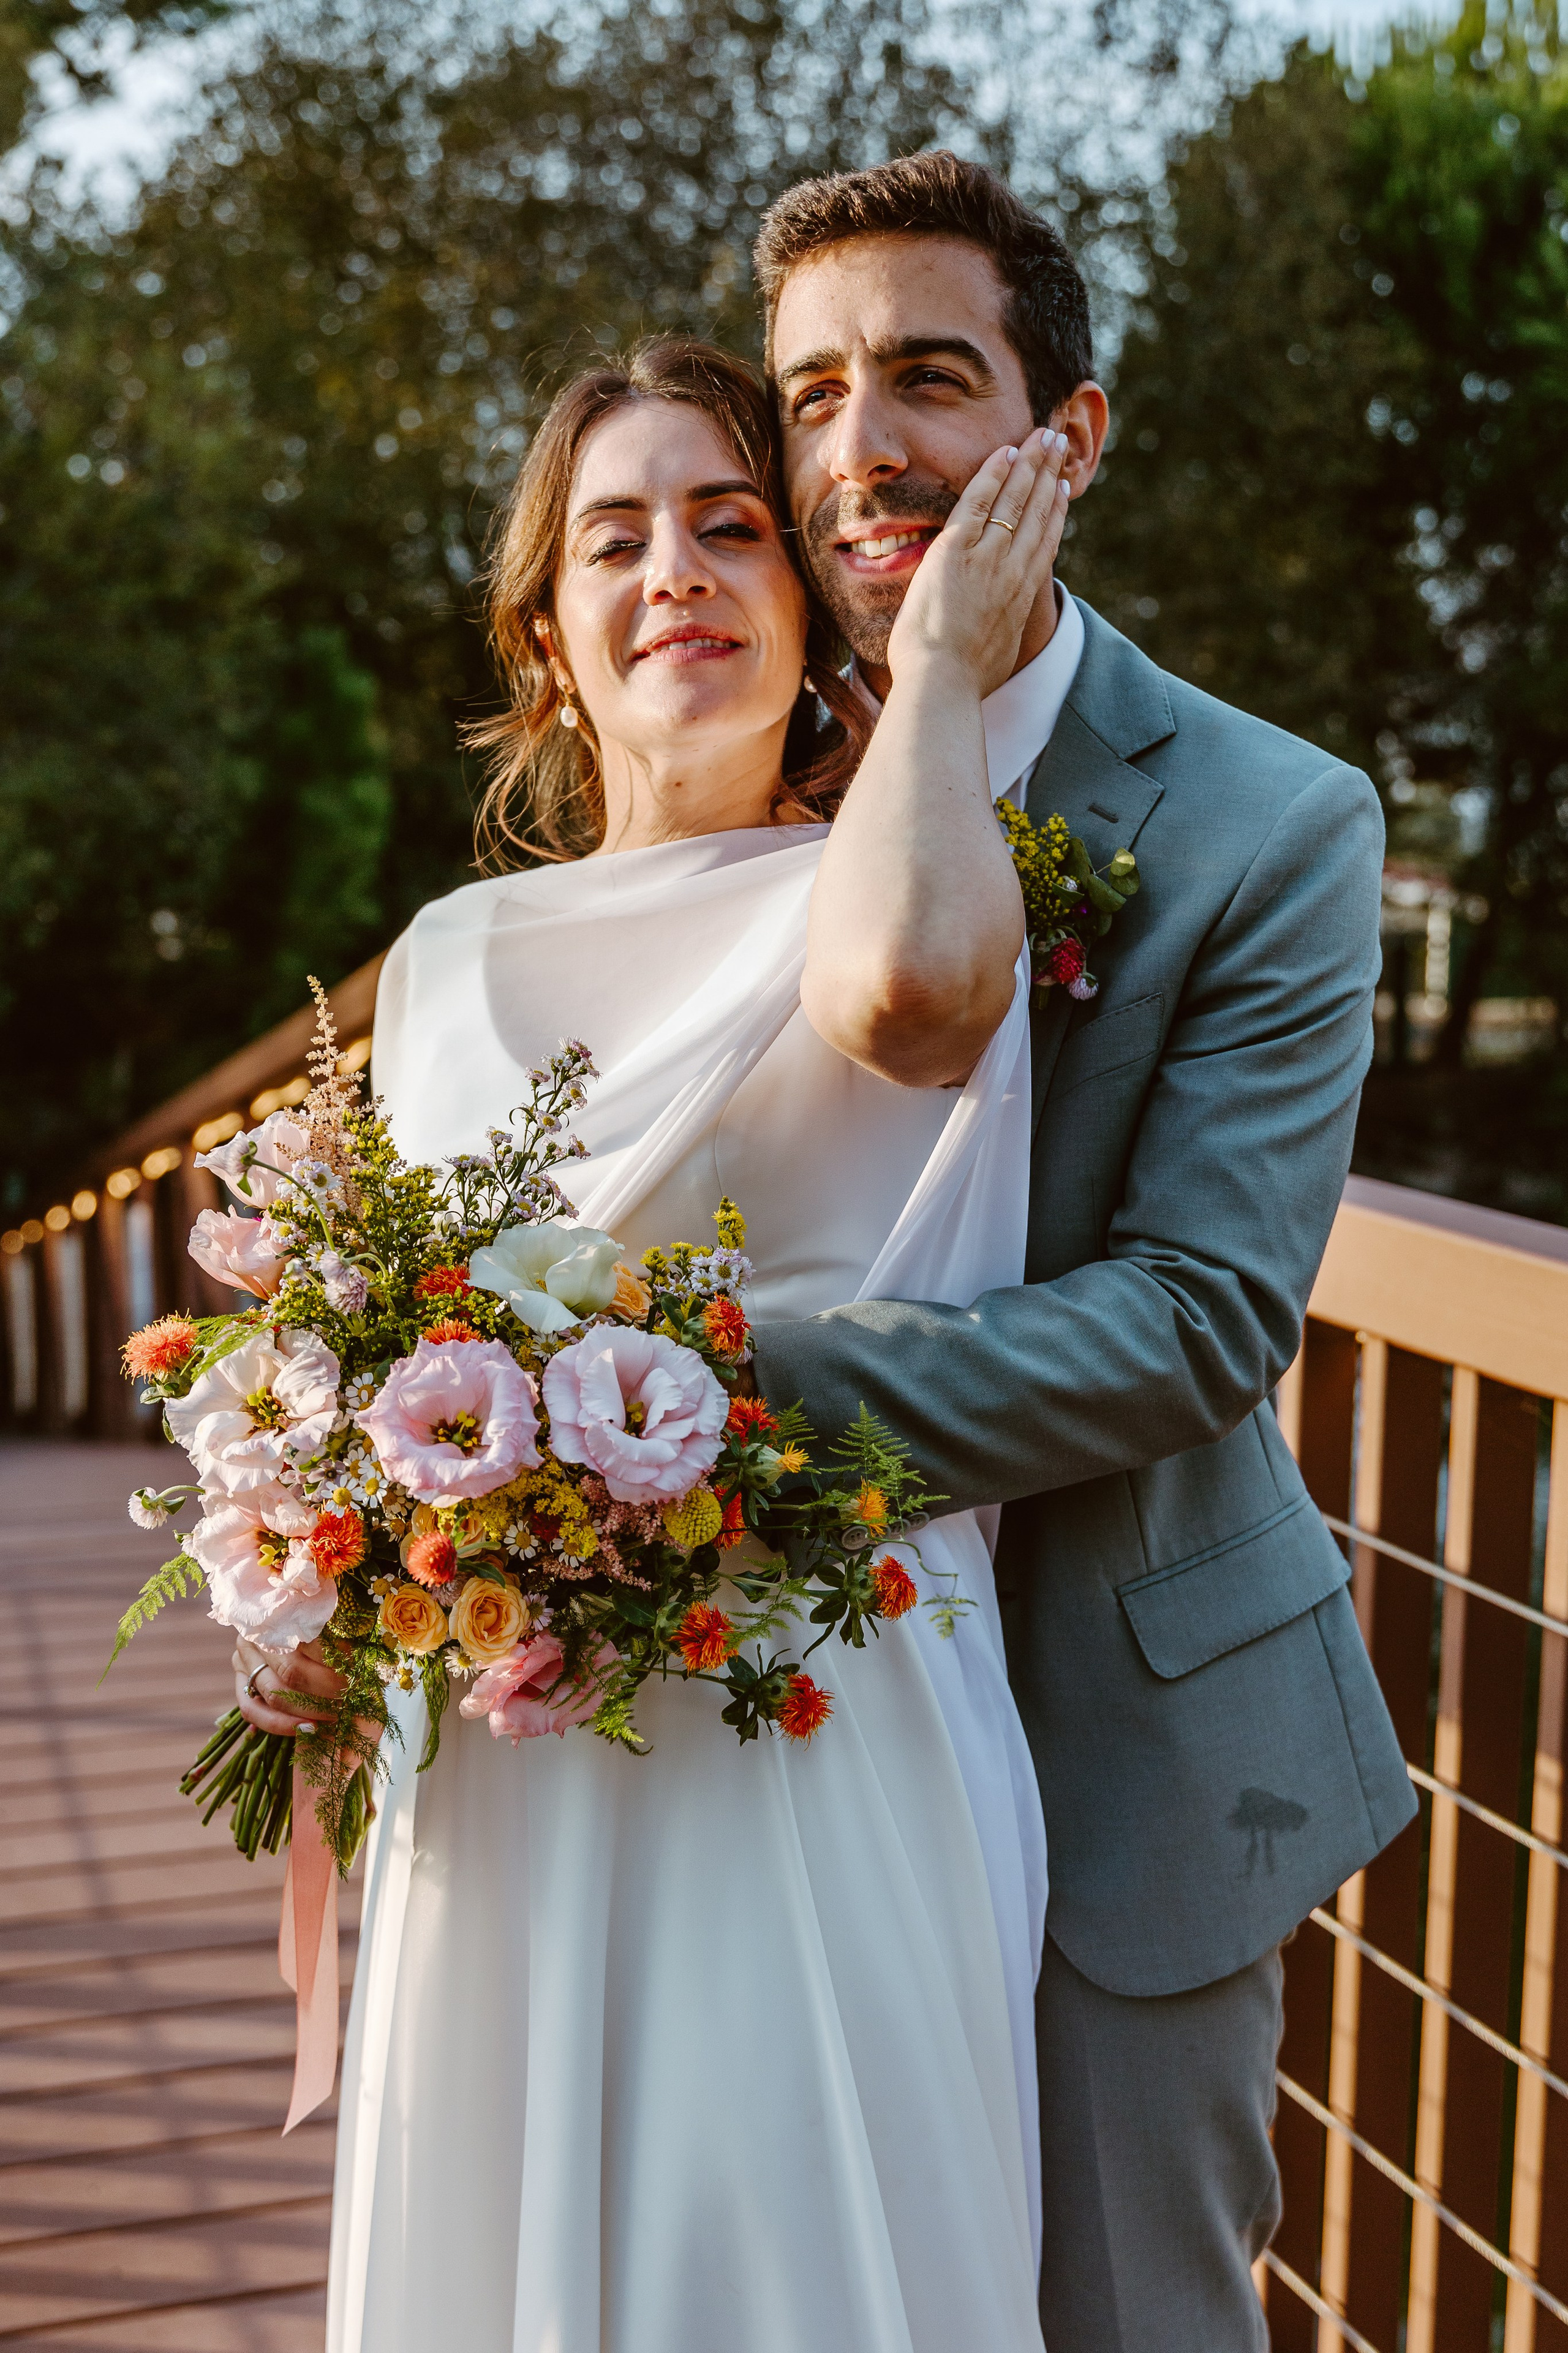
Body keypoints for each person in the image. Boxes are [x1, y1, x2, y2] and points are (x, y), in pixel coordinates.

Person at [235, 334, 1074, 2352]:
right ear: (551, 636)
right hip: (517, 1745)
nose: (676, 569)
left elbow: (919, 1007)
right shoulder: (439, 966)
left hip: (817, 1698)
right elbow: (375, 1353)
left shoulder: (907, 901)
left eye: (728, 527)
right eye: (616, 539)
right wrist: (312, 1541)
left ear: (806, 596)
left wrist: (940, 666)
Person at [745, 149, 1417, 2350]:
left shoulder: (1270, 821)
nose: (865, 450)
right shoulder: (728, 771)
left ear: (1070, 433)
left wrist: (705, 1397)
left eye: (931, 380)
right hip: (773, 1728)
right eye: (815, 392)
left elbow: (1209, 1312)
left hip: (1123, 1731)